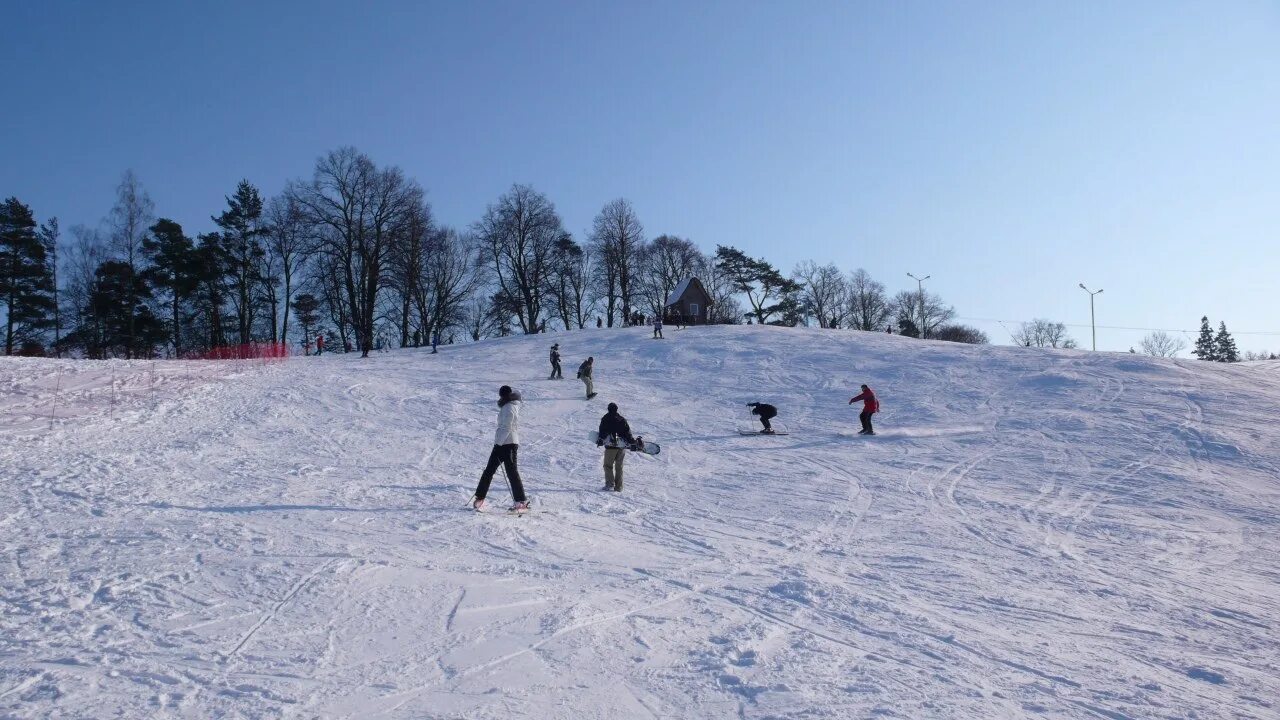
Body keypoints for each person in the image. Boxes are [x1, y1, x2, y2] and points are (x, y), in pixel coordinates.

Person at [471, 385, 530, 512]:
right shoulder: (507, 406)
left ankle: (520, 502)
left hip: (508, 444)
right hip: (502, 443)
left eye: (503, 395)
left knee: (511, 472)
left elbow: (507, 427)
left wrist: (498, 443)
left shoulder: (510, 407)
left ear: (507, 395)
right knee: (489, 470)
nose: (502, 397)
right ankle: (480, 497)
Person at [596, 402, 637, 491]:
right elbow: (628, 433)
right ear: (616, 409)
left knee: (608, 466)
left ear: (608, 409)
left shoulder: (606, 418)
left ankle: (610, 484)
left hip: (611, 447)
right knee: (619, 467)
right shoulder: (622, 419)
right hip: (621, 447)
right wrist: (632, 442)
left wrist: (600, 439)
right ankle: (619, 487)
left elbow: (602, 431)